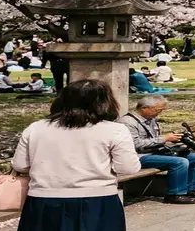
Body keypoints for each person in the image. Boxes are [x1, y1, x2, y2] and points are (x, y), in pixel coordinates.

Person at [12, 80, 142, 228]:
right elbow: (128, 168)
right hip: (98, 199)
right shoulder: (115, 130)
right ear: (105, 102)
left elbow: (20, 165)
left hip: (44, 199)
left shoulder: (36, 128)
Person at [120, 95, 195, 204]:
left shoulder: (150, 119)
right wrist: (164, 138)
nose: (159, 113)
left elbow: (154, 139)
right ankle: (174, 194)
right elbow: (135, 144)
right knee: (180, 162)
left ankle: (193, 189)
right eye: (158, 110)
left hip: (156, 152)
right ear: (144, 108)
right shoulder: (128, 122)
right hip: (139, 156)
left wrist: (172, 140)